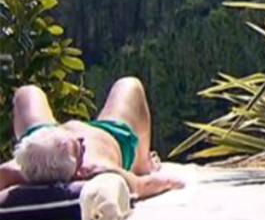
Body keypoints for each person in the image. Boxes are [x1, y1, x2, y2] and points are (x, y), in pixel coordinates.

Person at [0, 77, 183, 199]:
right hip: (110, 134)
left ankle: (51, 135)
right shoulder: (100, 169)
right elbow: (142, 186)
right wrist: (173, 182)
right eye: (80, 149)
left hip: (45, 139)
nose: (80, 139)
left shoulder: (18, 168)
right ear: (79, 172)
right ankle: (142, 163)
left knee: (27, 92)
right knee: (130, 85)